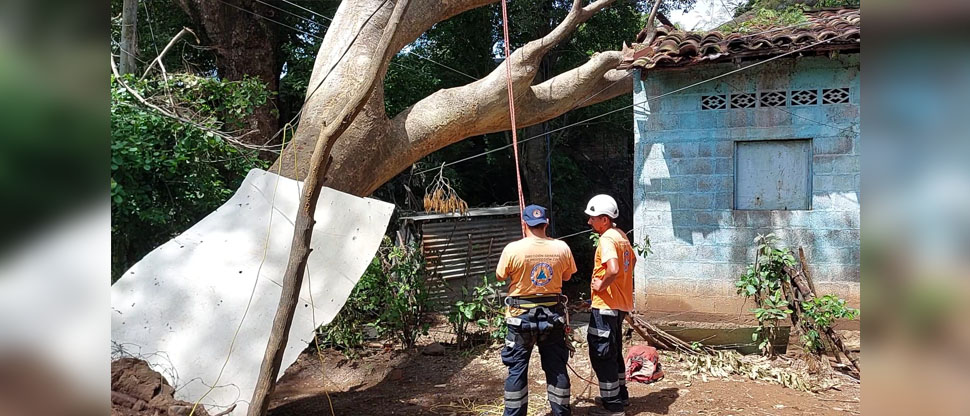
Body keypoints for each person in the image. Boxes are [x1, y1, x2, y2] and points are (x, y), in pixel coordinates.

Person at [496, 204, 578, 416]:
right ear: (546, 223)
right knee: (556, 367)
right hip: (553, 316)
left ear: (524, 223)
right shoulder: (561, 248)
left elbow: (500, 275)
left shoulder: (513, 249)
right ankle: (561, 413)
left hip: (519, 317)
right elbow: (567, 276)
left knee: (517, 369)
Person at [584, 194, 636, 416]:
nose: (589, 222)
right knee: (613, 351)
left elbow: (613, 269)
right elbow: (631, 262)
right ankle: (619, 395)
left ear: (604, 219)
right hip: (620, 304)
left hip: (606, 304)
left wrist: (602, 286)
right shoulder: (621, 236)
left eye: (593, 217)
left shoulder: (606, 239)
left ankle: (612, 407)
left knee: (602, 352)